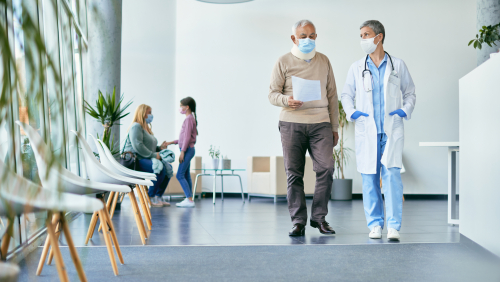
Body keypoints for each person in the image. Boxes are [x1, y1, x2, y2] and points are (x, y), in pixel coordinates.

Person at [341, 20, 416, 241]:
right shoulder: (356, 67)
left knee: (392, 176)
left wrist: (404, 110)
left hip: (390, 129)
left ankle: (393, 226)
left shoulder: (398, 65)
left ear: (379, 37)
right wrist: (352, 112)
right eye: (361, 35)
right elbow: (346, 94)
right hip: (368, 130)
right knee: (369, 177)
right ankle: (375, 224)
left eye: (366, 34)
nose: (363, 39)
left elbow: (410, 93)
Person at [268, 19, 339, 236]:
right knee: (294, 173)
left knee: (326, 168)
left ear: (316, 37)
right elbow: (272, 94)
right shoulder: (283, 61)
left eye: (311, 35)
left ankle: (319, 218)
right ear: (294, 38)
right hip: (291, 123)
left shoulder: (324, 61)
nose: (307, 39)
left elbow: (332, 95)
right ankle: (298, 221)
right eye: (303, 36)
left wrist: (334, 127)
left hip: (320, 123)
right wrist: (286, 100)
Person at [124, 104, 170, 207]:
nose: (151, 115)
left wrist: (160, 148)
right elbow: (138, 146)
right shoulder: (136, 126)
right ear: (143, 113)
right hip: (137, 160)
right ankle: (150, 197)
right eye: (149, 113)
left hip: (145, 157)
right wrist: (154, 155)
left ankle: (158, 196)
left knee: (168, 168)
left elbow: (150, 147)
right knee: (160, 169)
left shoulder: (147, 129)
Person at [166, 97, 198, 208]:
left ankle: (189, 199)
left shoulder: (189, 119)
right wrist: (171, 142)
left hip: (187, 150)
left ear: (187, 107)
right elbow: (184, 137)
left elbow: (187, 137)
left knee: (180, 175)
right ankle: (189, 199)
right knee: (185, 174)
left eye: (181, 106)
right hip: (188, 149)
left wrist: (183, 151)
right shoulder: (190, 118)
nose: (180, 108)